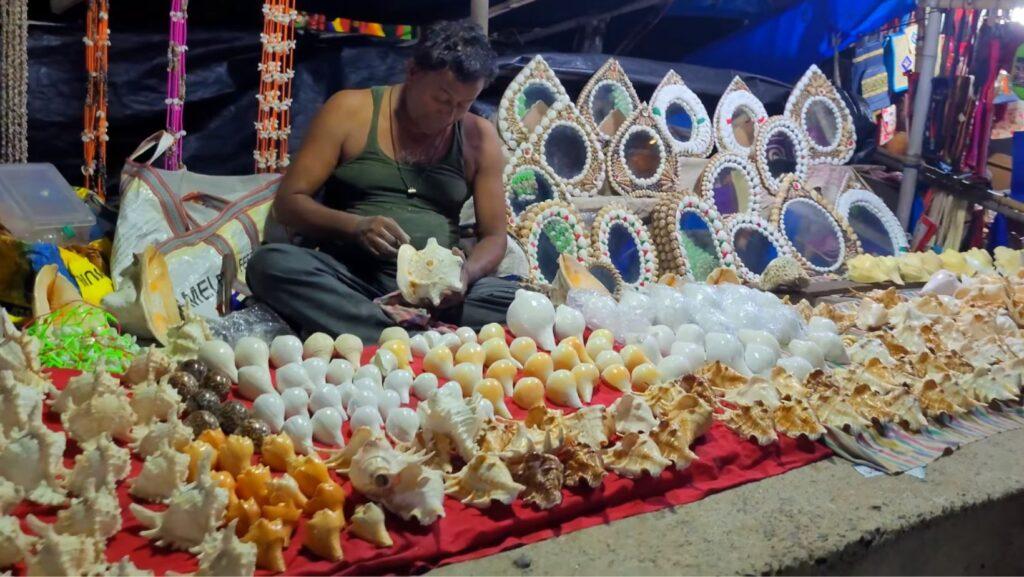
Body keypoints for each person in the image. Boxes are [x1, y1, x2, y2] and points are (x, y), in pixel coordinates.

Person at [247, 20, 517, 341]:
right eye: (443, 99)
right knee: (270, 265)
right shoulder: (349, 111)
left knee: (525, 301)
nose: (451, 114)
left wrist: (465, 275)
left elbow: (495, 237)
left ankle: (382, 330)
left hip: (437, 296)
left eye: (464, 104)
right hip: (352, 280)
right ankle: (402, 334)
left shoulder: (479, 137)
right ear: (413, 71)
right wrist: (355, 227)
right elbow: (289, 204)